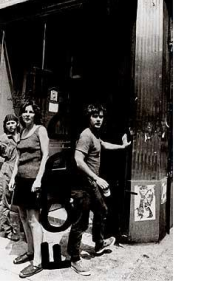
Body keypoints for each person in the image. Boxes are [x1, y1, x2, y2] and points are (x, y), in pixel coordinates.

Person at [67, 104, 132, 276]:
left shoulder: (95, 135)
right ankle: (74, 258)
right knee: (80, 221)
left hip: (90, 184)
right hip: (82, 185)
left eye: (101, 116)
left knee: (102, 209)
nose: (98, 119)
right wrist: (97, 178)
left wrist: (122, 146)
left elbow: (104, 145)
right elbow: (78, 160)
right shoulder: (86, 135)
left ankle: (99, 243)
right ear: (88, 117)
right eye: (95, 116)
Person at [10, 101, 49, 278]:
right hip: (20, 180)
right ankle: (31, 251)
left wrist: (39, 179)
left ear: (35, 114)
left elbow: (45, 155)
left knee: (34, 220)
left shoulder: (40, 130)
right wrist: (12, 177)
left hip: (34, 180)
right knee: (23, 217)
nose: (27, 114)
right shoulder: (21, 132)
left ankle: (38, 262)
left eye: (31, 112)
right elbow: (18, 157)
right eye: (25, 112)